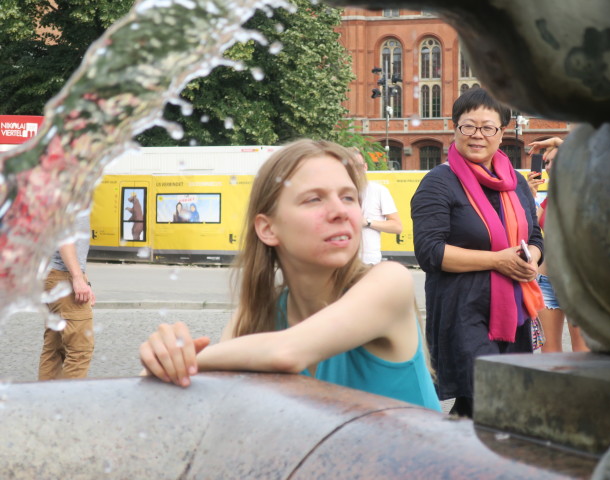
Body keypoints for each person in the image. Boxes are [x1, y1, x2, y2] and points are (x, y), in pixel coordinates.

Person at [139, 139, 441, 411]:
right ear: (268, 229)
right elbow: (220, 407)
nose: (341, 211)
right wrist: (166, 357)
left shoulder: (390, 282)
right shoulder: (259, 311)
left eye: (349, 197)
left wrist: (189, 358)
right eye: (314, 199)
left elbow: (286, 353)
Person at [410, 88, 544, 418]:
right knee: (483, 400)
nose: (477, 135)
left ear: (502, 131)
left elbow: (535, 236)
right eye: (468, 126)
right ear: (455, 128)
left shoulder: (516, 183)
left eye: (487, 127)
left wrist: (532, 260)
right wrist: (497, 261)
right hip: (463, 311)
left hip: (514, 312)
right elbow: (430, 252)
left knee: (500, 405)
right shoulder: (438, 183)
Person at [528, 137, 589, 353]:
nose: (549, 166)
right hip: (545, 281)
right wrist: (527, 196)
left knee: (582, 352)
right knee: (550, 355)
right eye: (547, 162)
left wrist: (557, 141)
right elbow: (528, 227)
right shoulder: (549, 199)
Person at [39, 213, 96, 380]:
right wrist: (77, 277)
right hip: (63, 276)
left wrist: (84, 279)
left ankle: (45, 394)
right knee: (80, 351)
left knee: (54, 349)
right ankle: (68, 397)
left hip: (52, 274)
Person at [350, 149, 402, 264]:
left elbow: (397, 227)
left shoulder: (379, 191)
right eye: (349, 167)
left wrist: (367, 222)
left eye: (358, 166)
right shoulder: (336, 192)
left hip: (368, 261)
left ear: (365, 167)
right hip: (342, 261)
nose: (354, 170)